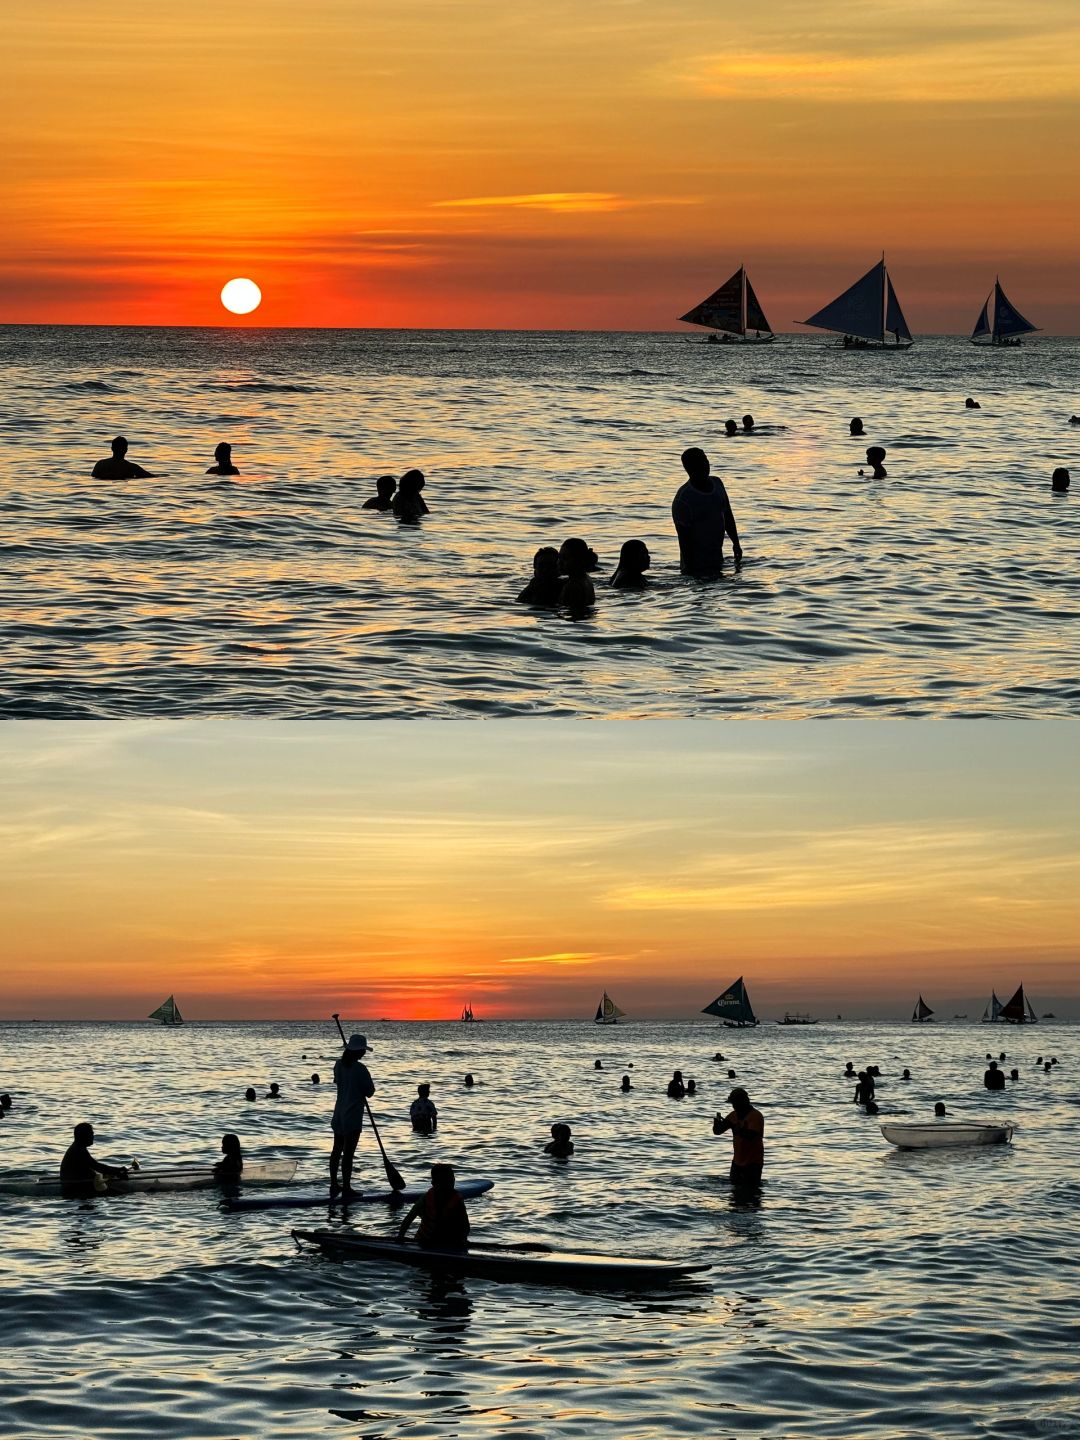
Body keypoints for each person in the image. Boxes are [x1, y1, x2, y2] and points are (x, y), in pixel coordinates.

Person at [671, 447, 742, 575]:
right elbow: (684, 540)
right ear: (689, 468)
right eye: (699, 462)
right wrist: (689, 569)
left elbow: (728, 515)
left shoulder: (717, 484)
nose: (705, 464)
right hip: (695, 565)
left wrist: (736, 543)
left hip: (717, 558)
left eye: (705, 459)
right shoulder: (684, 499)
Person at [330, 1034, 375, 1198]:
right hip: (353, 1115)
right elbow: (370, 1092)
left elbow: (338, 1081)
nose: (364, 1053)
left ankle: (334, 1184)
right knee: (348, 1153)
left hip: (339, 1114)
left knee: (336, 1150)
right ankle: (347, 1187)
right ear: (359, 1052)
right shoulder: (360, 1069)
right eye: (362, 1051)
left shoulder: (338, 1065)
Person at [396, 1164, 470, 1249]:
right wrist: (400, 1236)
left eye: (450, 1180)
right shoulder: (425, 1199)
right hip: (422, 1243)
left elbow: (465, 1226)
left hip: (449, 1244)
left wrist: (463, 1239)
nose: (448, 1185)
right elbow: (409, 1219)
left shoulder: (457, 1200)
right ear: (433, 1183)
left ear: (454, 1180)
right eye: (443, 1182)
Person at [712, 1087, 764, 1187]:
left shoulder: (756, 1116)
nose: (734, 1106)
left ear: (743, 1102)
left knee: (751, 1193)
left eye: (735, 1103)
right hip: (737, 1162)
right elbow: (718, 1132)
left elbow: (752, 1136)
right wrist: (717, 1123)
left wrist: (736, 1128)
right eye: (733, 1103)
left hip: (753, 1163)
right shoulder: (733, 1115)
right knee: (735, 1194)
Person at [60, 1123, 128, 1194]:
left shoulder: (78, 1147)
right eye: (91, 1134)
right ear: (83, 1136)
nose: (93, 1136)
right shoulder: (78, 1150)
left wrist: (118, 1169)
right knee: (122, 1194)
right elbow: (97, 1167)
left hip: (82, 1184)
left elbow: (95, 1165)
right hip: (76, 1187)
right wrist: (118, 1173)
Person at [558, 537, 596, 611]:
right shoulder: (586, 578)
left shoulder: (573, 585)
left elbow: (574, 612)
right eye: (559, 558)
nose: (560, 562)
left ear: (578, 559)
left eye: (565, 558)